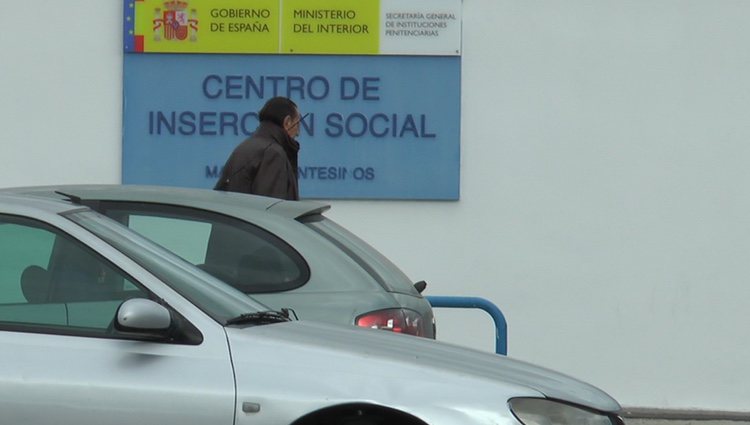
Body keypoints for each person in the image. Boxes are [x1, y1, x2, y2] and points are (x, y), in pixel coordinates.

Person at [214, 97, 303, 200]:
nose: (298, 132)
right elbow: (270, 208)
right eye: (298, 124)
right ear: (287, 122)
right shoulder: (272, 153)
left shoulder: (251, 145)